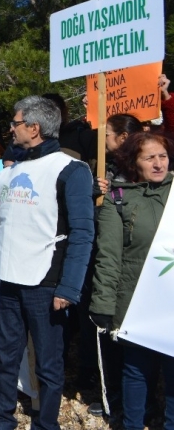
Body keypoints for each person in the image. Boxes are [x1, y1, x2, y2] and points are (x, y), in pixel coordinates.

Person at [0, 95, 94, 430]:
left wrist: (68, 287)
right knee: (6, 358)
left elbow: (83, 233)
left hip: (46, 284)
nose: (10, 129)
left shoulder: (71, 170)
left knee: (49, 365)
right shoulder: (12, 172)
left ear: (34, 128)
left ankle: (45, 424)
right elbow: (3, 222)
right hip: (10, 281)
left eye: (15, 123)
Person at [89, 132, 173, 430]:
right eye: (149, 157)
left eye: (162, 155)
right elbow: (109, 257)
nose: (158, 163)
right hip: (136, 300)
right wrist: (103, 304)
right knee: (137, 369)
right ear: (133, 162)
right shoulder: (117, 199)